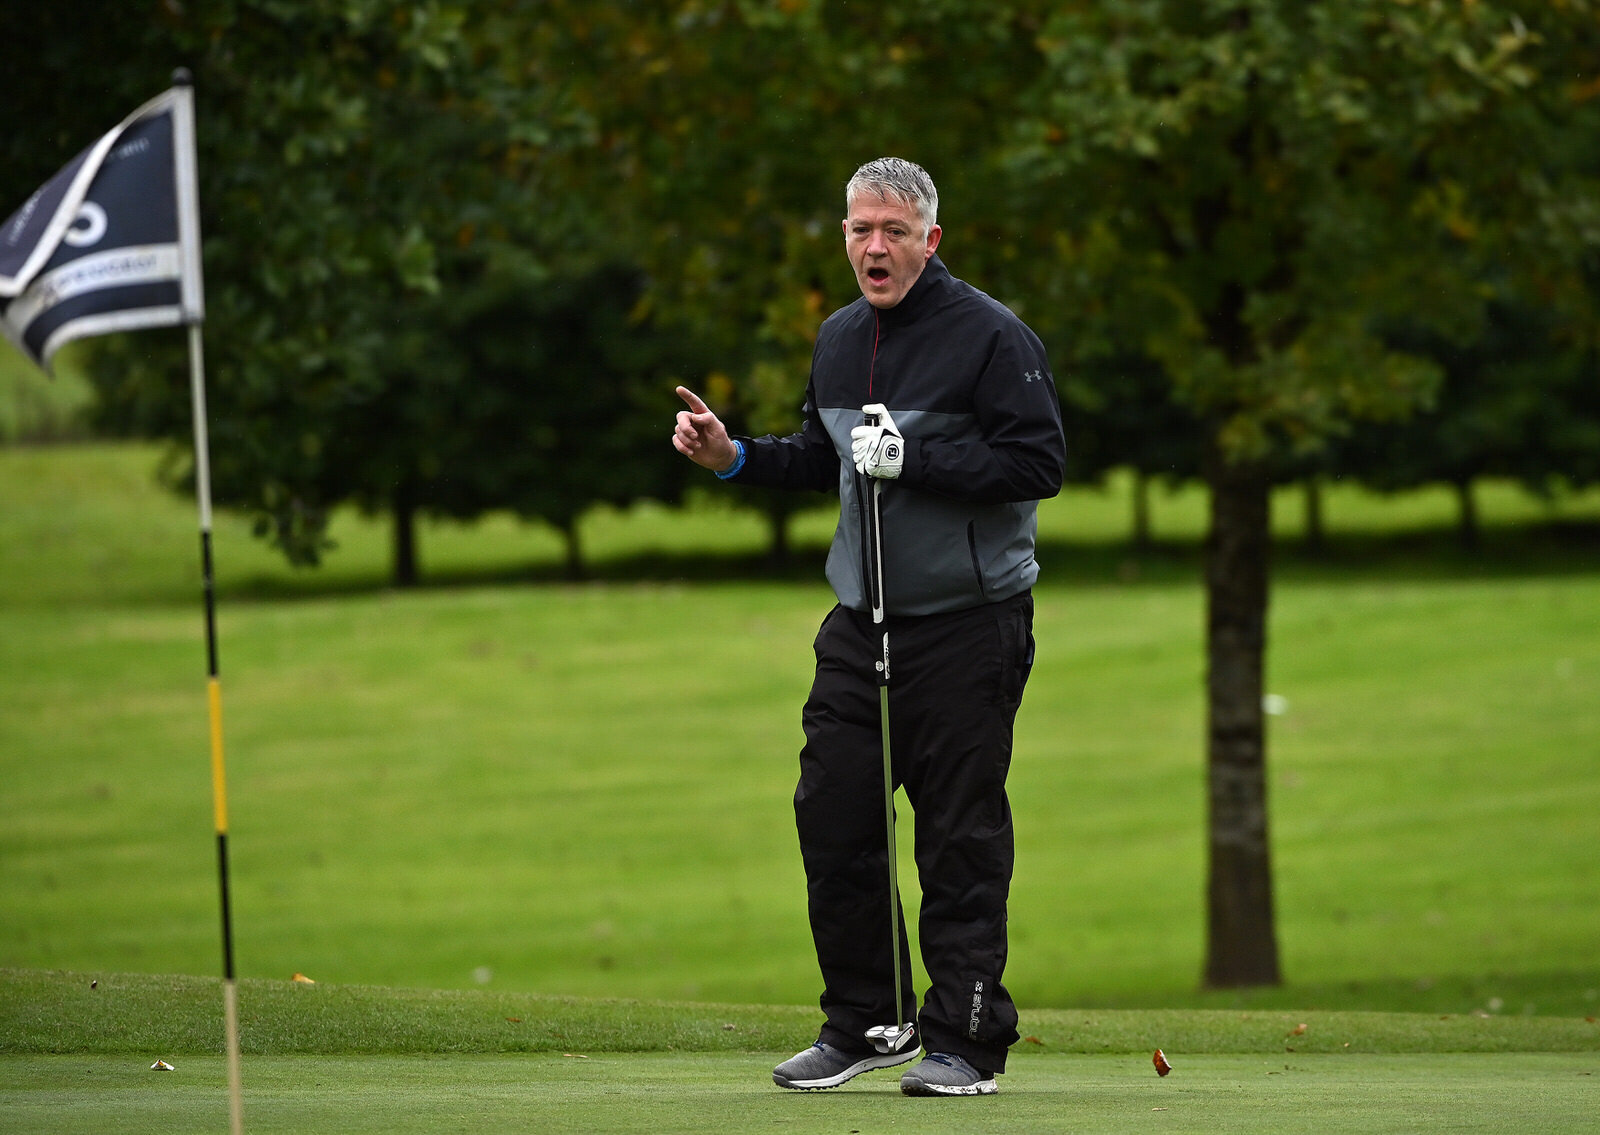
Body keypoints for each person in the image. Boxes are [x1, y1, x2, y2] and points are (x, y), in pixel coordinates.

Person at [672, 157, 1065, 1097]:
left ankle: (967, 1039)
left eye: (893, 230)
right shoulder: (840, 338)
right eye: (859, 229)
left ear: (932, 239)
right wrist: (735, 459)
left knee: (957, 837)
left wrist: (917, 457)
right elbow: (827, 459)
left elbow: (1037, 459)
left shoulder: (991, 336)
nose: (874, 246)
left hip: (968, 626)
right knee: (834, 815)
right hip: (861, 624)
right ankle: (869, 1021)